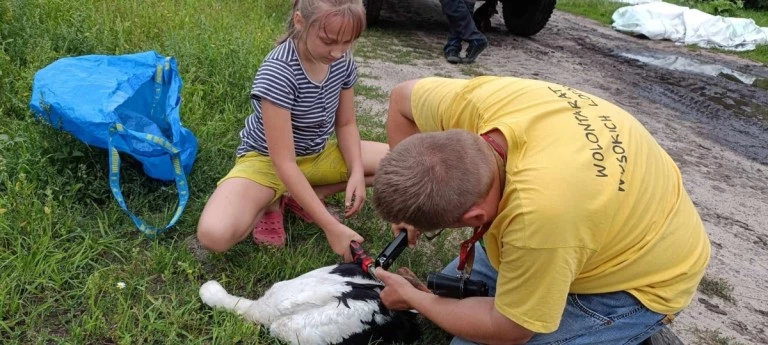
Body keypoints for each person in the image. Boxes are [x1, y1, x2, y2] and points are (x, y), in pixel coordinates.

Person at [371, 76, 711, 344]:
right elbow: (402, 98)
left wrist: (422, 303)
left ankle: (624, 328)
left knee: (475, 335)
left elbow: (511, 330)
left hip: (640, 275)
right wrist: (410, 209)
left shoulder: (540, 219)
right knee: (457, 301)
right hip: (597, 216)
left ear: (475, 219)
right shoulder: (471, 106)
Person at [196, 0, 388, 262]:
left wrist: (355, 171)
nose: (337, 52)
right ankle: (270, 201)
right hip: (267, 163)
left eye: (347, 43)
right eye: (329, 41)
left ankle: (304, 195)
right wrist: (331, 228)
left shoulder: (342, 61)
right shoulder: (279, 71)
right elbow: (283, 162)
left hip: (315, 155)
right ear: (300, 21)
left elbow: (345, 124)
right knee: (214, 235)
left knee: (398, 161)